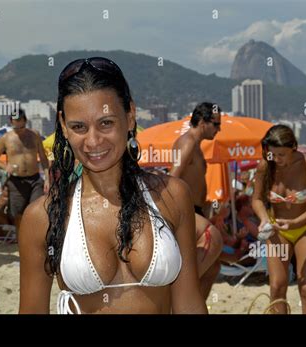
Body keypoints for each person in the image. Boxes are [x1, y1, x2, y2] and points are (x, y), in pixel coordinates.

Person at [19, 57, 206, 314]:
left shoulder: (172, 196)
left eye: (106, 123)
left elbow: (190, 305)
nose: (93, 141)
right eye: (78, 127)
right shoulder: (42, 218)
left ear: (130, 117)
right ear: (63, 125)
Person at [252, 124, 306, 314]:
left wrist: (296, 223)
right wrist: (263, 219)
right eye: (272, 154)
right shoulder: (265, 165)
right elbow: (257, 199)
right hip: (277, 230)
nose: (276, 159)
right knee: (277, 286)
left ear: (294, 146)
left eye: (281, 155)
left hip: (305, 228)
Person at [170, 102, 223, 300]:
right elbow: (173, 177)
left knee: (211, 267)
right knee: (200, 266)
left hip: (196, 211)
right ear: (202, 122)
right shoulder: (188, 142)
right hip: (187, 212)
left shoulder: (195, 144)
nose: (219, 129)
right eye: (216, 124)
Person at [0, 109, 50, 231]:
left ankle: (35, 239)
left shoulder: (35, 135)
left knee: (37, 209)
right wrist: (5, 167)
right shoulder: (6, 138)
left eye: (20, 122)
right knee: (17, 214)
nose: (18, 125)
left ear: (25, 120)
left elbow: (43, 158)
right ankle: (20, 240)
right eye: (15, 122)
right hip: (16, 181)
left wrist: (47, 178)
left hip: (35, 179)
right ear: (11, 122)